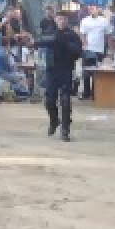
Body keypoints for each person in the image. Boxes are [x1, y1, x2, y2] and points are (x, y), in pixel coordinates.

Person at [34, 10, 84, 142]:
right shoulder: (50, 33)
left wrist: (66, 44)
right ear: (55, 20)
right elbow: (39, 41)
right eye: (59, 19)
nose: (61, 21)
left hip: (66, 70)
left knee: (65, 100)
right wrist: (31, 41)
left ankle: (65, 130)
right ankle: (54, 120)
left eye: (64, 19)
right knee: (49, 100)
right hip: (51, 70)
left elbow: (78, 51)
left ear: (67, 21)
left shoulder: (71, 35)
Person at [78, 5, 109, 99]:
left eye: (94, 8)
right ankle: (86, 92)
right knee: (86, 71)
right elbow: (82, 34)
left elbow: (107, 35)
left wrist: (107, 48)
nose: (92, 10)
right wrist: (84, 44)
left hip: (100, 49)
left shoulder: (104, 21)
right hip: (88, 49)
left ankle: (95, 92)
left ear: (98, 9)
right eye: (90, 8)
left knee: (97, 72)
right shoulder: (85, 21)